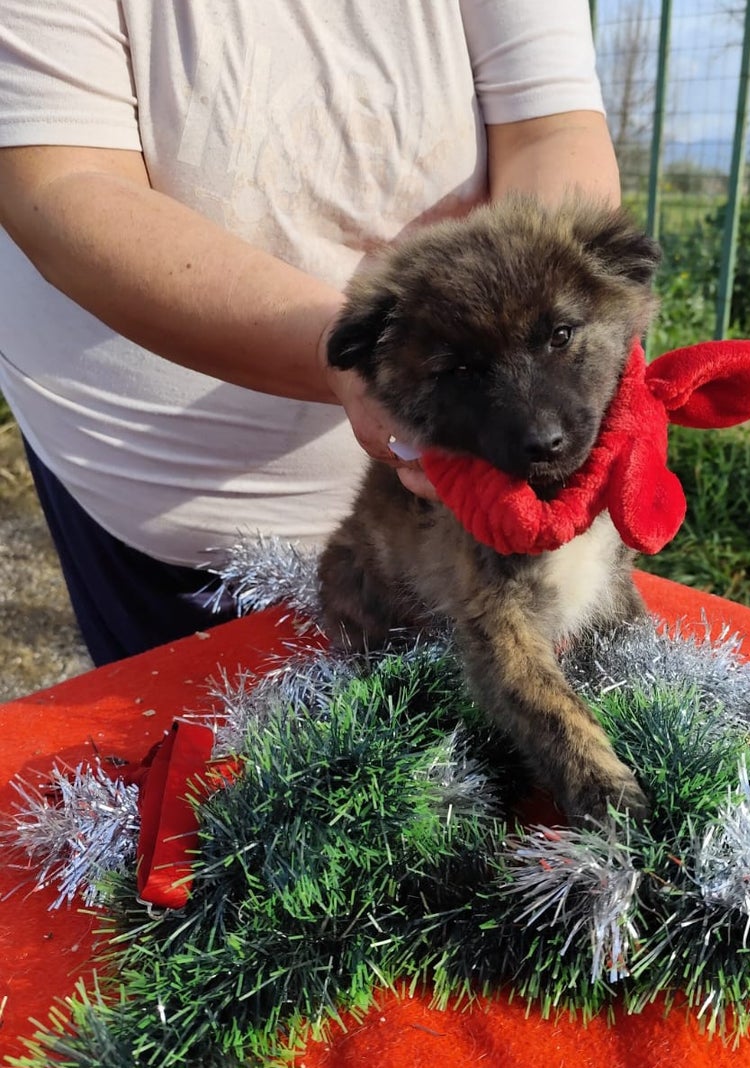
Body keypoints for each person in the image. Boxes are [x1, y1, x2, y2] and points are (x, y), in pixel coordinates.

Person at [0, 2, 622, 666]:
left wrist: (556, 298)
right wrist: (347, 355)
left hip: (463, 512)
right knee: (202, 750)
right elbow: (64, 182)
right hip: (167, 512)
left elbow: (550, 129)